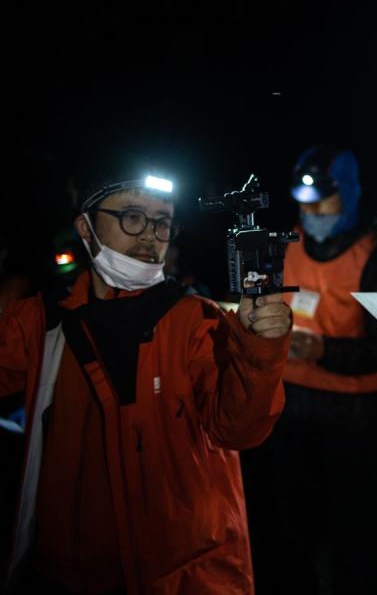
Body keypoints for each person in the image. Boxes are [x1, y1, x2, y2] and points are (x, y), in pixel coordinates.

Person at [0, 172, 291, 594]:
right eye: (132, 216)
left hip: (175, 575)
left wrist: (260, 350)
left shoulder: (198, 320)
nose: (151, 235)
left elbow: (239, 429)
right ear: (85, 226)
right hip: (61, 571)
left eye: (162, 222)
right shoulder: (43, 321)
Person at [242, 146, 377, 594]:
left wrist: (323, 350)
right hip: (290, 410)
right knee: (291, 524)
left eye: (322, 200)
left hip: (354, 418)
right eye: (303, 200)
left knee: (353, 533)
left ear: (349, 194)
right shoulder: (283, 245)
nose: (311, 210)